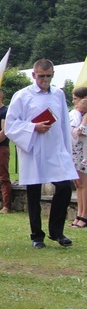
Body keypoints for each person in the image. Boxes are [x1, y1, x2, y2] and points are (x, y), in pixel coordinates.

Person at [5, 59, 78, 248]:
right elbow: (11, 126)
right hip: (34, 149)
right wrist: (33, 127)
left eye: (48, 76)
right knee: (34, 192)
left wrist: (66, 149)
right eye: (41, 76)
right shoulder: (22, 96)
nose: (45, 79)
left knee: (63, 187)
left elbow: (62, 122)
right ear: (33, 75)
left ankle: (57, 231)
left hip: (55, 148)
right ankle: (37, 234)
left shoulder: (59, 94)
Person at [70, 88, 87, 228]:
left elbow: (79, 132)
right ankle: (79, 214)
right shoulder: (78, 115)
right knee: (78, 184)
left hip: (83, 153)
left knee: (83, 184)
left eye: (76, 99)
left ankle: (84, 215)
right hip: (76, 152)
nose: (74, 102)